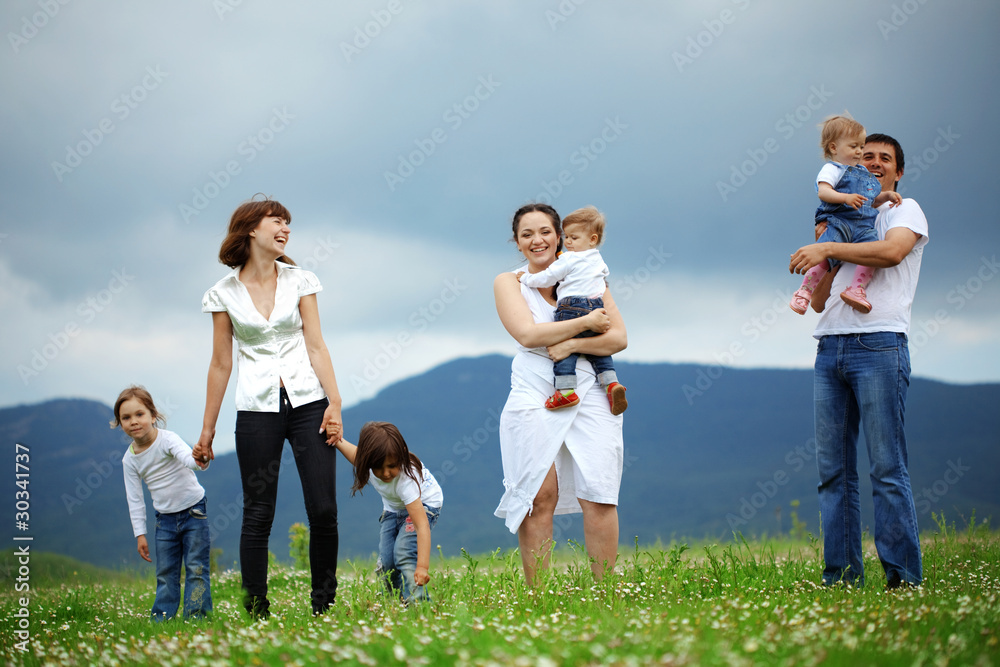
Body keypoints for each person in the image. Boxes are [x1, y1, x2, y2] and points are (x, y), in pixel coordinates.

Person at [194, 196, 344, 618]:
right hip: (256, 410)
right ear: (250, 229)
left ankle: (324, 607)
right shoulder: (221, 294)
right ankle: (256, 611)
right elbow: (221, 363)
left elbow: (316, 344)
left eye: (288, 223)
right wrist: (207, 430)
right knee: (258, 512)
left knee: (324, 509)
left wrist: (334, 402)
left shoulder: (301, 280)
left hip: (309, 404)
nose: (286, 228)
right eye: (276, 220)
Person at [789, 133, 926, 589]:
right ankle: (842, 578)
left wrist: (827, 248)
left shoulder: (903, 210)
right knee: (833, 473)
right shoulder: (844, 211)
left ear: (898, 171)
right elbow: (818, 301)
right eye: (866, 157)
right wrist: (824, 255)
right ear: (853, 165)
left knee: (886, 466)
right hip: (830, 344)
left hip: (880, 344)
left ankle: (903, 578)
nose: (875, 163)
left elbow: (891, 252)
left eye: (885, 159)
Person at [494, 203, 627, 585]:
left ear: (561, 237)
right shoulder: (510, 281)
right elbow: (528, 335)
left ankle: (605, 592)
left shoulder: (587, 274)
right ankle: (540, 595)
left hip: (590, 387)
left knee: (599, 490)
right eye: (526, 234)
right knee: (539, 493)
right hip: (534, 387)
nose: (537, 240)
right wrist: (585, 325)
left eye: (545, 232)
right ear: (517, 242)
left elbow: (619, 337)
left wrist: (568, 346)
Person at [517, 205, 627, 415]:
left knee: (562, 346)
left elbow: (547, 277)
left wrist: (526, 279)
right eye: (567, 237)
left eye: (573, 238)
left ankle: (566, 390)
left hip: (571, 307)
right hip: (596, 305)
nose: (568, 242)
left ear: (592, 239)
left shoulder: (568, 258)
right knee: (599, 352)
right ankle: (611, 383)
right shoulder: (598, 260)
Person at [114, 385, 212, 621]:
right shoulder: (130, 460)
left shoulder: (168, 440)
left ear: (153, 415)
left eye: (139, 414)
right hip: (165, 521)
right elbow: (135, 499)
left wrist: (201, 458)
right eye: (126, 418)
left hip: (194, 511)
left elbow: (189, 460)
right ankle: (162, 618)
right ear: (120, 423)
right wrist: (140, 534)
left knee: (196, 568)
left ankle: (196, 618)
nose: (134, 422)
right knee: (166, 572)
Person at [790, 116, 901, 316]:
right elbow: (823, 192)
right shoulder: (832, 169)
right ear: (834, 147)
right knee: (824, 257)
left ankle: (857, 289)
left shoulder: (863, 175)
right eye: (855, 147)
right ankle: (804, 291)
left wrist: (885, 196)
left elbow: (869, 200)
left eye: (861, 146)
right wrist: (845, 198)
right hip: (840, 220)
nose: (859, 151)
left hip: (863, 225)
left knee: (871, 253)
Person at [333, 422, 443, 604]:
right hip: (394, 509)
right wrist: (337, 440)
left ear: (400, 457)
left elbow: (421, 525)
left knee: (404, 552)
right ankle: (394, 601)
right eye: (378, 467)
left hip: (424, 505)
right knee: (386, 562)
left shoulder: (406, 481)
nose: (385, 473)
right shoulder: (370, 463)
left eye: (392, 466)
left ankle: (419, 603)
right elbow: (355, 455)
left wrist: (422, 567)